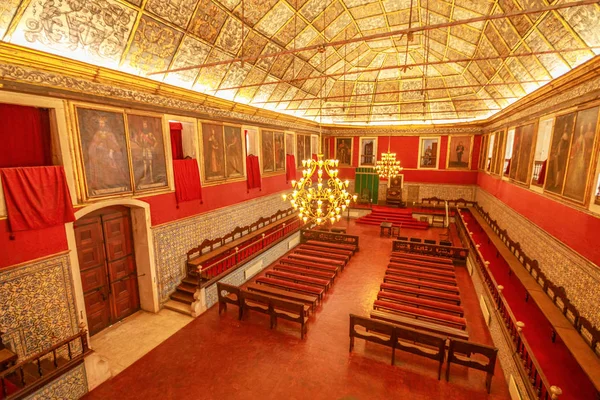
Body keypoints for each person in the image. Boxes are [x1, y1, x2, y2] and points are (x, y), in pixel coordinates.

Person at [87, 116, 129, 193]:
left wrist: (111, 151)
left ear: (105, 124)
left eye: (102, 123)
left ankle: (112, 183)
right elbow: (92, 146)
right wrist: (96, 147)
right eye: (100, 123)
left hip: (110, 154)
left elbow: (115, 146)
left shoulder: (110, 134)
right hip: (100, 155)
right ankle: (103, 184)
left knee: (111, 167)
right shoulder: (97, 134)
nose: (101, 125)